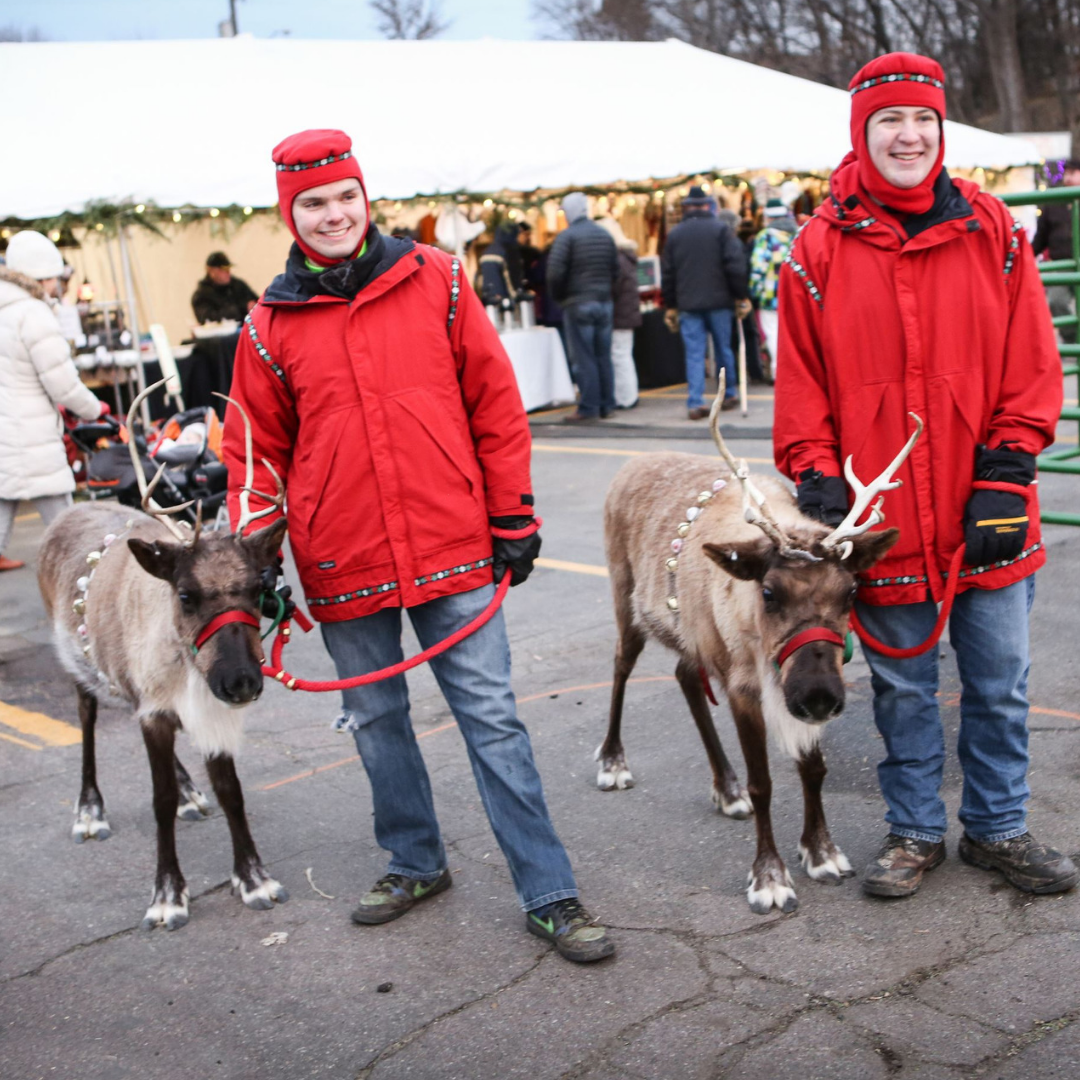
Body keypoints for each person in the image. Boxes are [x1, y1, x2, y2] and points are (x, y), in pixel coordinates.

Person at [221, 129, 615, 964]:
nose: (333, 214)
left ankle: (548, 889)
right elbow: (255, 458)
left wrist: (511, 514)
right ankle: (415, 860)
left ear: (367, 199)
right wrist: (253, 564)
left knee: (493, 722)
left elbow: (494, 403)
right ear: (290, 215)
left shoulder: (435, 280)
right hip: (341, 557)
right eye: (313, 203)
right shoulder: (268, 326)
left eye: (344, 197)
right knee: (375, 721)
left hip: (453, 543)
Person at [775, 52, 1075, 900]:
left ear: (940, 130)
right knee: (904, 690)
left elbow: (1031, 363)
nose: (908, 136)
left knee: (999, 686)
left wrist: (1008, 469)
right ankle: (913, 832)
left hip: (987, 508)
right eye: (889, 122)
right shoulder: (816, 251)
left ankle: (998, 827)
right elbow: (800, 384)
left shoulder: (994, 232)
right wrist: (819, 479)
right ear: (861, 133)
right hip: (884, 522)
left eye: (923, 121)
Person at [0, 231, 110, 571]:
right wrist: (96, 410)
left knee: (4, 496)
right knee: (67, 522)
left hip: (7, 425)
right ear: (43, 277)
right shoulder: (33, 314)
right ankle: (91, 574)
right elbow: (62, 382)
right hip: (29, 431)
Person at [661, 185, 751, 420]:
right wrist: (741, 295)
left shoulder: (676, 234)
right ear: (707, 205)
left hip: (689, 302)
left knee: (694, 353)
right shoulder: (720, 230)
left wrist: (670, 304)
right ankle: (729, 393)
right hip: (719, 300)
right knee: (723, 349)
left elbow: (668, 273)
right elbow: (735, 266)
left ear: (687, 207)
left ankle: (695, 401)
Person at [546, 193, 619, 423]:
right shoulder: (604, 234)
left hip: (578, 302)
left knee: (583, 357)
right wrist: (606, 291)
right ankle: (607, 403)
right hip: (604, 302)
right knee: (603, 355)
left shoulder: (567, 237)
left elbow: (554, 274)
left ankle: (589, 407)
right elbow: (616, 270)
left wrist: (561, 298)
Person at [749, 198, 798, 381]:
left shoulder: (766, 236)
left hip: (771, 296)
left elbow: (758, 266)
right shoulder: (797, 233)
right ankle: (794, 372)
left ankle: (780, 373)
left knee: (773, 334)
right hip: (794, 293)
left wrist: (753, 290)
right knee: (793, 333)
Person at [1032, 158, 1080, 344]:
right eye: (1066, 172)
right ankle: (1073, 340)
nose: (1068, 177)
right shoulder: (1054, 204)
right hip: (1061, 264)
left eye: (1073, 172)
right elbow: (1040, 237)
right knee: (1056, 301)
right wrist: (1027, 254)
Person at [598, 217, 641, 409]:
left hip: (620, 314)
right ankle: (627, 395)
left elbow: (615, 288)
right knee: (623, 354)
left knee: (619, 355)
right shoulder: (626, 256)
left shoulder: (618, 259)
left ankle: (625, 397)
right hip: (626, 312)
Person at [190, 252, 258, 324]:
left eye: (228, 269)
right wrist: (242, 308)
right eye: (223, 269)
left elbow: (257, 302)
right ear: (211, 271)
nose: (228, 272)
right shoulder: (202, 295)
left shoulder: (238, 285)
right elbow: (207, 319)